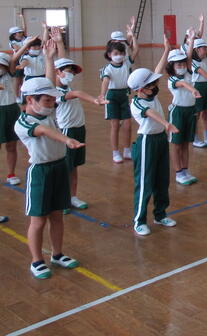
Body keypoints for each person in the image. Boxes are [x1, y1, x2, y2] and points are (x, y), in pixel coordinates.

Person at [15, 77, 84, 279]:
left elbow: (48, 79)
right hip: (41, 172)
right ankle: (37, 261)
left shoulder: (47, 111)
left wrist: (48, 60)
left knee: (57, 216)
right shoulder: (24, 123)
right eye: (47, 100)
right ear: (30, 100)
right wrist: (67, 139)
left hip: (59, 167)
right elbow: (44, 131)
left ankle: (57, 254)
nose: (52, 104)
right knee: (38, 221)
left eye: (53, 100)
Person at [44, 46, 105, 211]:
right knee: (65, 168)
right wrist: (95, 100)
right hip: (67, 131)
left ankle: (72, 197)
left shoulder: (66, 87)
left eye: (72, 71)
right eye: (67, 71)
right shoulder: (54, 92)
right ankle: (62, 199)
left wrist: (59, 43)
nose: (70, 74)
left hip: (79, 129)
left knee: (74, 167)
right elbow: (76, 94)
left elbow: (63, 62)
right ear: (57, 72)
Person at [128, 63, 179, 236]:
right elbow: (150, 113)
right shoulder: (137, 103)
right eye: (151, 85)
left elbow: (157, 71)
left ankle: (160, 214)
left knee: (162, 180)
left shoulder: (150, 94)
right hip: (147, 142)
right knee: (145, 182)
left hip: (160, 140)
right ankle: (139, 220)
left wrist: (166, 51)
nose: (155, 86)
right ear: (141, 89)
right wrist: (166, 124)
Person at [99, 24, 139, 163]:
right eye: (116, 54)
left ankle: (127, 150)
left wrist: (133, 35)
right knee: (115, 126)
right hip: (111, 97)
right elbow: (105, 81)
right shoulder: (107, 69)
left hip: (123, 96)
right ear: (109, 55)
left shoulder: (126, 63)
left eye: (121, 53)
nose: (119, 56)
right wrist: (102, 95)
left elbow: (136, 50)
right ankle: (115, 152)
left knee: (128, 124)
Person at [164, 42, 202, 186]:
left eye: (183, 63)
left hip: (190, 111)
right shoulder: (172, 79)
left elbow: (189, 56)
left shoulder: (188, 73)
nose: (181, 66)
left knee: (186, 143)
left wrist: (191, 40)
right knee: (176, 144)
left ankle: (185, 170)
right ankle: (178, 172)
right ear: (171, 66)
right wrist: (193, 90)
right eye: (178, 64)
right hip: (178, 112)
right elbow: (183, 84)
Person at [0, 52, 21, 186]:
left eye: (2, 65)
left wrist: (25, 45)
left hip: (11, 110)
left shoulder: (10, 75)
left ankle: (11, 174)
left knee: (11, 145)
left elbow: (14, 60)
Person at [191, 38, 207, 148]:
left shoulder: (205, 59)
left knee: (206, 113)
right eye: (203, 48)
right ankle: (195, 138)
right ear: (197, 49)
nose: (205, 50)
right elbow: (199, 71)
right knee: (197, 114)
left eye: (206, 48)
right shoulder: (192, 61)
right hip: (198, 86)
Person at [9, 25, 26, 102]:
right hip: (17, 61)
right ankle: (16, 96)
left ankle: (23, 95)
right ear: (14, 34)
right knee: (17, 79)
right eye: (19, 32)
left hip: (25, 59)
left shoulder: (25, 39)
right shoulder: (13, 42)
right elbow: (18, 49)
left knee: (23, 79)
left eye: (21, 32)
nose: (21, 33)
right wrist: (26, 49)